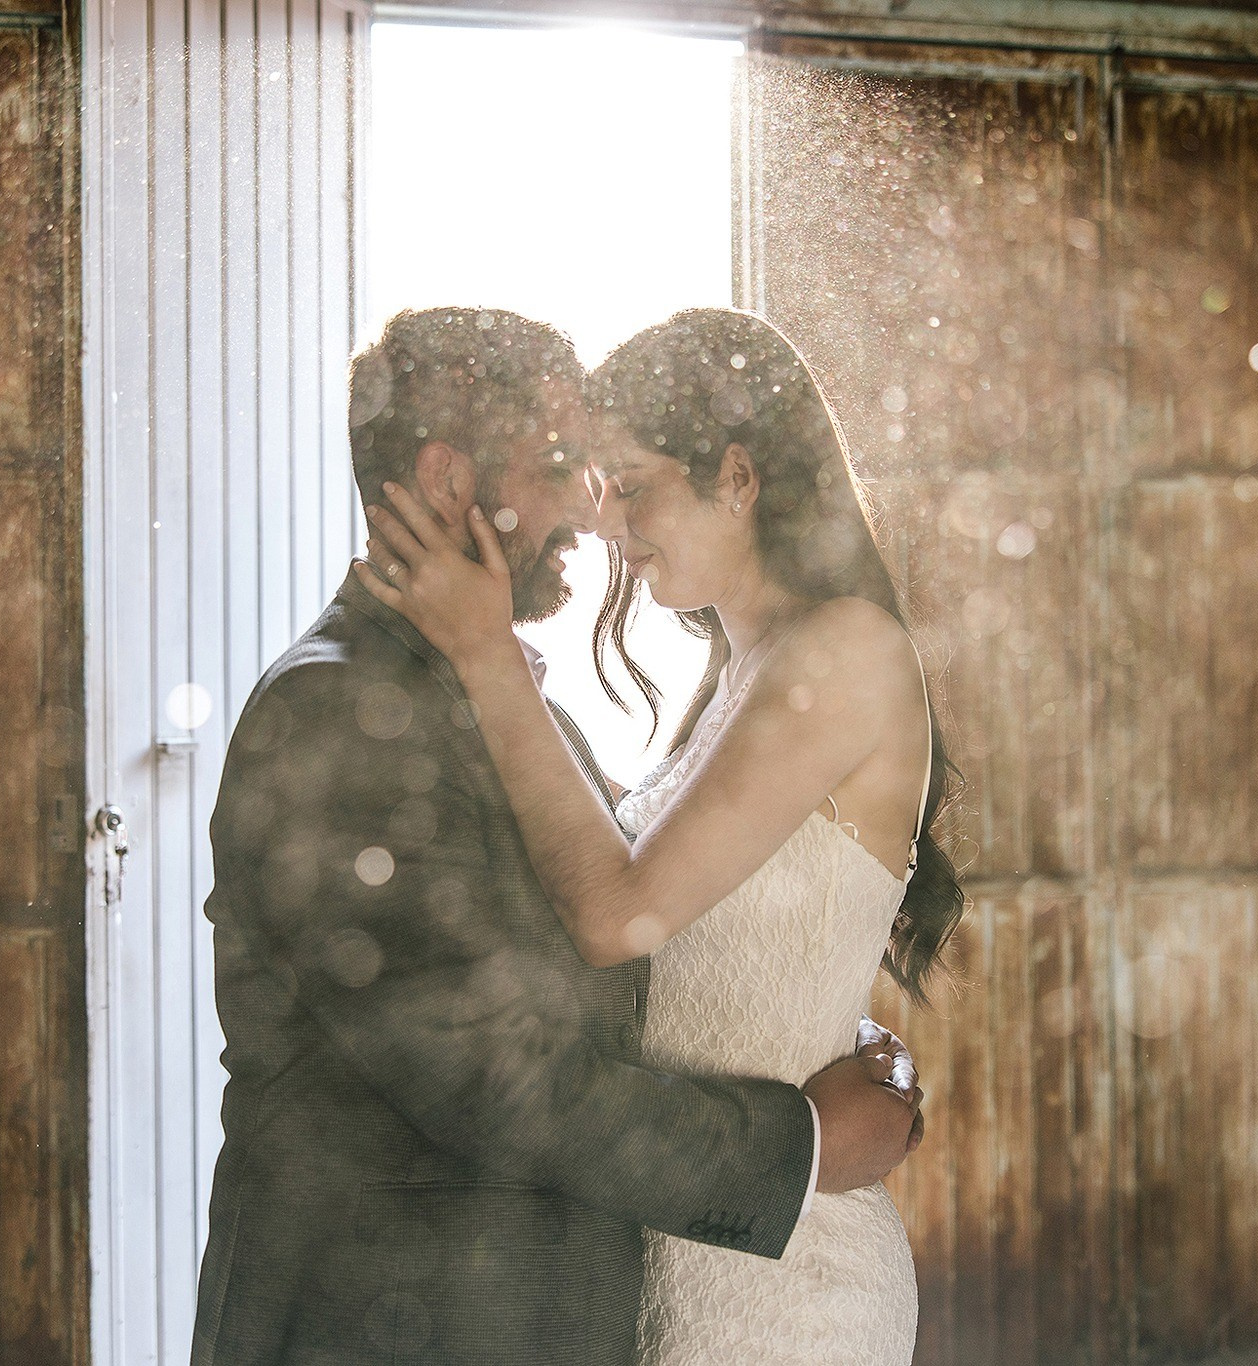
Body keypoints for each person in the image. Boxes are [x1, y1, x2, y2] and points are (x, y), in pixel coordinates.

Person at [192, 307, 926, 1366]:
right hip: (388, 1330)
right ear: (448, 479)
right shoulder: (338, 710)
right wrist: (802, 1145)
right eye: (554, 467)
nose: (589, 513)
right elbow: (491, 1076)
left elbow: (683, 940)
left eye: (617, 478)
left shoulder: (519, 711)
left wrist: (824, 1021)